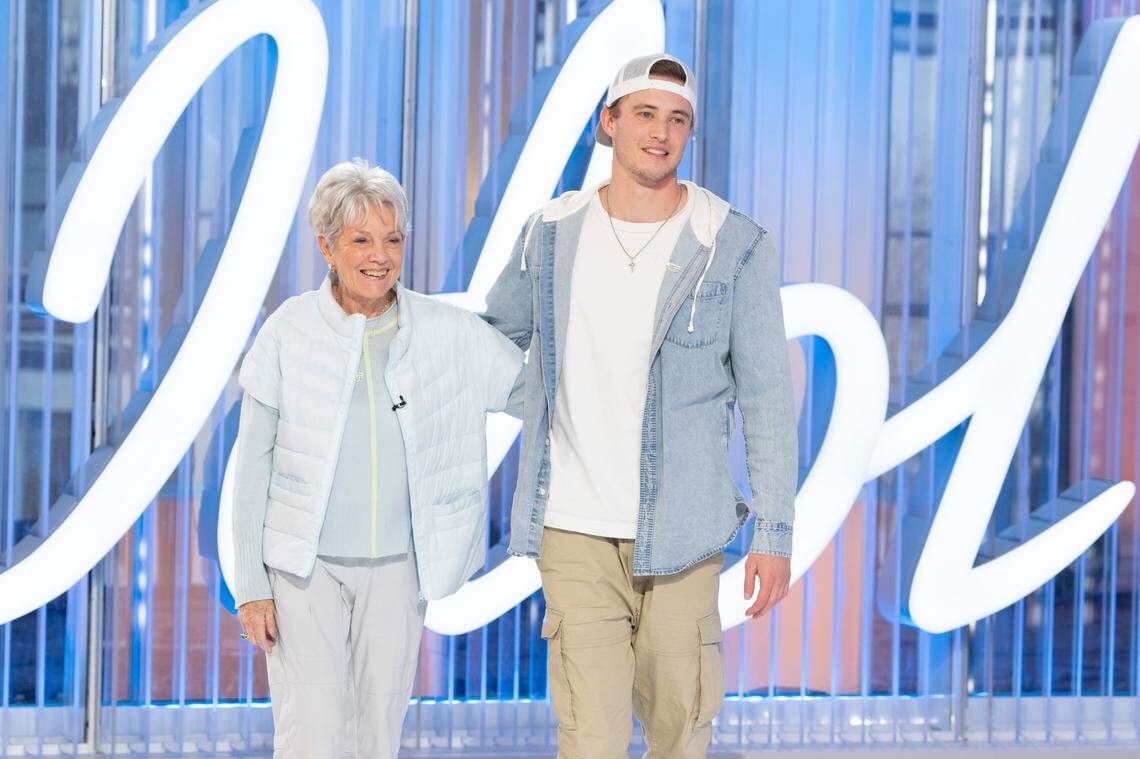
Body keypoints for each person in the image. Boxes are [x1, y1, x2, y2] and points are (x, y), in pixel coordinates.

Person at [481, 54, 798, 758]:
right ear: (610, 122)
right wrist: (538, 402)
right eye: (646, 114)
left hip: (685, 533)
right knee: (589, 737)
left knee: (679, 736)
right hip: (572, 528)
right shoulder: (551, 233)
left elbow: (768, 397)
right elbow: (494, 339)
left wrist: (773, 534)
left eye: (678, 119)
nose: (661, 133)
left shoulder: (732, 245)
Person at [232, 159, 524, 758]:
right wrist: (251, 586)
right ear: (326, 247)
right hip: (302, 570)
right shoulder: (288, 331)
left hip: (399, 567)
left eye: (392, 239)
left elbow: (533, 392)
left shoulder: (446, 330)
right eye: (361, 239)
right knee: (310, 733)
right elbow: (252, 469)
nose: (379, 254)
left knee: (377, 736)